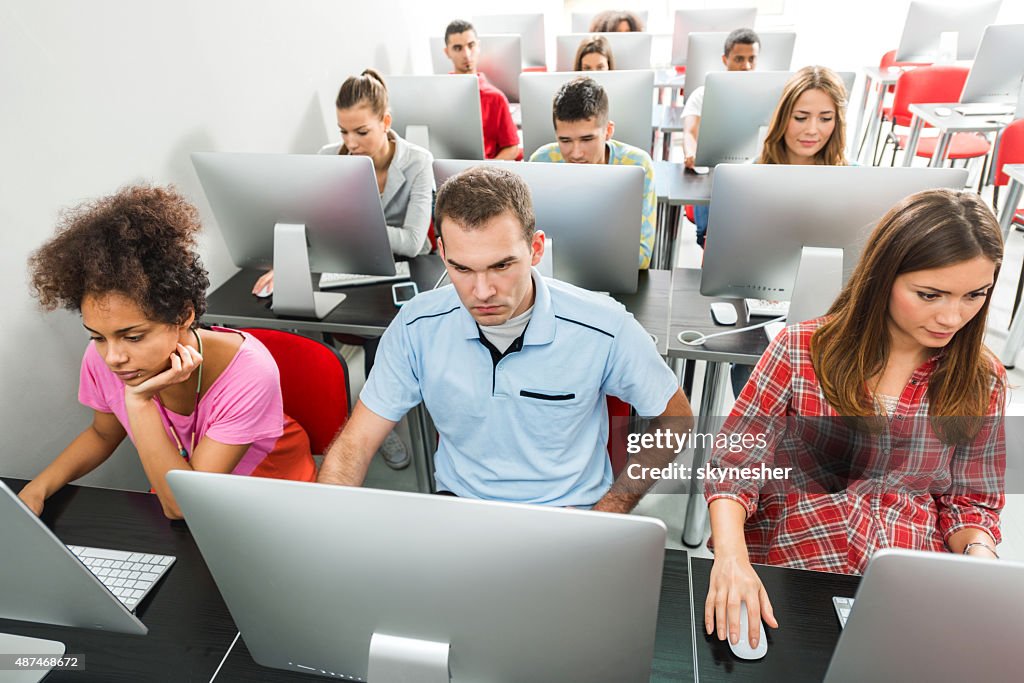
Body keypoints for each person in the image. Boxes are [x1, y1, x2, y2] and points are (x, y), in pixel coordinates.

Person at [703, 189, 1006, 652]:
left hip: (901, 584)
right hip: (791, 569)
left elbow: (971, 503)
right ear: (884, 278)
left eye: (974, 296)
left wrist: (978, 558)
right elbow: (735, 466)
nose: (952, 316)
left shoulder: (983, 381)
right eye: (930, 294)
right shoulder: (802, 350)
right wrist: (730, 556)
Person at [317, 166, 693, 511]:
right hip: (464, 509)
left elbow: (677, 420)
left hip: (571, 513)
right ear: (443, 254)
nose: (482, 292)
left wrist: (613, 508)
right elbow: (356, 443)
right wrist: (327, 521)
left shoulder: (605, 326)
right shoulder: (416, 326)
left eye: (501, 265)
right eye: (462, 268)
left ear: (536, 249)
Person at [20, 185, 317, 520]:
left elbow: (182, 507)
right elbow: (103, 433)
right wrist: (38, 487)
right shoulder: (106, 359)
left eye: (132, 336)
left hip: (267, 484)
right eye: (97, 337)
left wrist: (139, 401)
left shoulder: (251, 370)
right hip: (183, 480)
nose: (113, 357)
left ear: (183, 316)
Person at [250, 70, 434, 470]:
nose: (350, 144)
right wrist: (288, 261)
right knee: (299, 318)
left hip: (397, 273)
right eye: (343, 131)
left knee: (377, 338)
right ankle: (333, 418)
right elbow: (308, 222)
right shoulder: (327, 158)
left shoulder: (418, 162)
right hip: (345, 263)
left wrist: (352, 228)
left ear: (386, 123)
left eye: (362, 132)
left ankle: (381, 424)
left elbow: (416, 240)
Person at [529, 77, 656, 269]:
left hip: (610, 274)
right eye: (565, 141)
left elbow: (641, 257)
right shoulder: (541, 161)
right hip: (552, 273)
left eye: (587, 139)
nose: (576, 153)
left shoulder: (637, 165)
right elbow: (526, 242)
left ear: (608, 131)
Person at [682, 28, 760, 248]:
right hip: (715, 176)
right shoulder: (702, 94)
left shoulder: (769, 95)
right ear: (725, 60)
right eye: (739, 59)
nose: (746, 66)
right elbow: (689, 132)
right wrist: (690, 152)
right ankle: (708, 241)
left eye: (752, 60)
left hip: (756, 175)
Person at [443, 19, 521, 161]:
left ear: (478, 47)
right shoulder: (439, 96)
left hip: (483, 173)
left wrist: (485, 171)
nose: (466, 54)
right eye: (458, 48)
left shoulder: (495, 98)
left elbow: (512, 148)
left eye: (471, 45)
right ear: (447, 52)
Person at [756, 64, 849, 166]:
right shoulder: (748, 173)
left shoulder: (858, 176)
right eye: (800, 118)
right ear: (782, 118)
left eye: (825, 119)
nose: (811, 131)